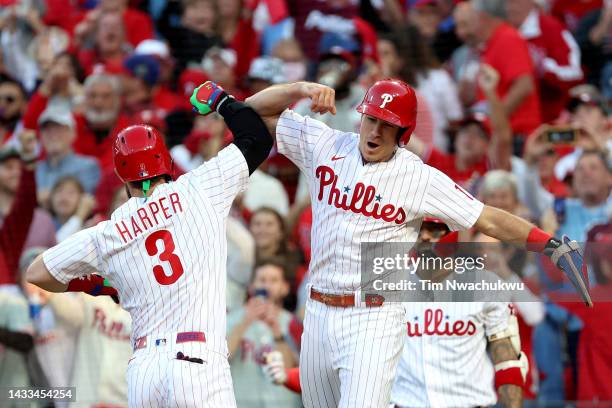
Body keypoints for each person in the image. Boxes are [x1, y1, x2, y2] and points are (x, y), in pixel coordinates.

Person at [246, 78, 591, 407]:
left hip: (372, 315)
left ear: (404, 133)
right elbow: (253, 109)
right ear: (362, 116)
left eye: (388, 124)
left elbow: (486, 217)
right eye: (372, 119)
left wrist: (550, 245)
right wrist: (300, 89)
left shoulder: (418, 177)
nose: (376, 131)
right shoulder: (326, 143)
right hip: (319, 310)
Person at [26, 80, 274, 406]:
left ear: (122, 177)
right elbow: (256, 139)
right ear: (166, 162)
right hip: (196, 360)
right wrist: (220, 100)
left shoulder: (109, 231)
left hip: (143, 369)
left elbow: (37, 272)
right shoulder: (198, 189)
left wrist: (98, 286)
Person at [227, 258, 302, 407]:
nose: (267, 285)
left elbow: (290, 371)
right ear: (252, 287)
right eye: (262, 280)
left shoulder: (292, 322)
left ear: (285, 287)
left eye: (274, 280)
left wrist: (277, 333)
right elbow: (221, 358)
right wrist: (245, 322)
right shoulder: (232, 319)